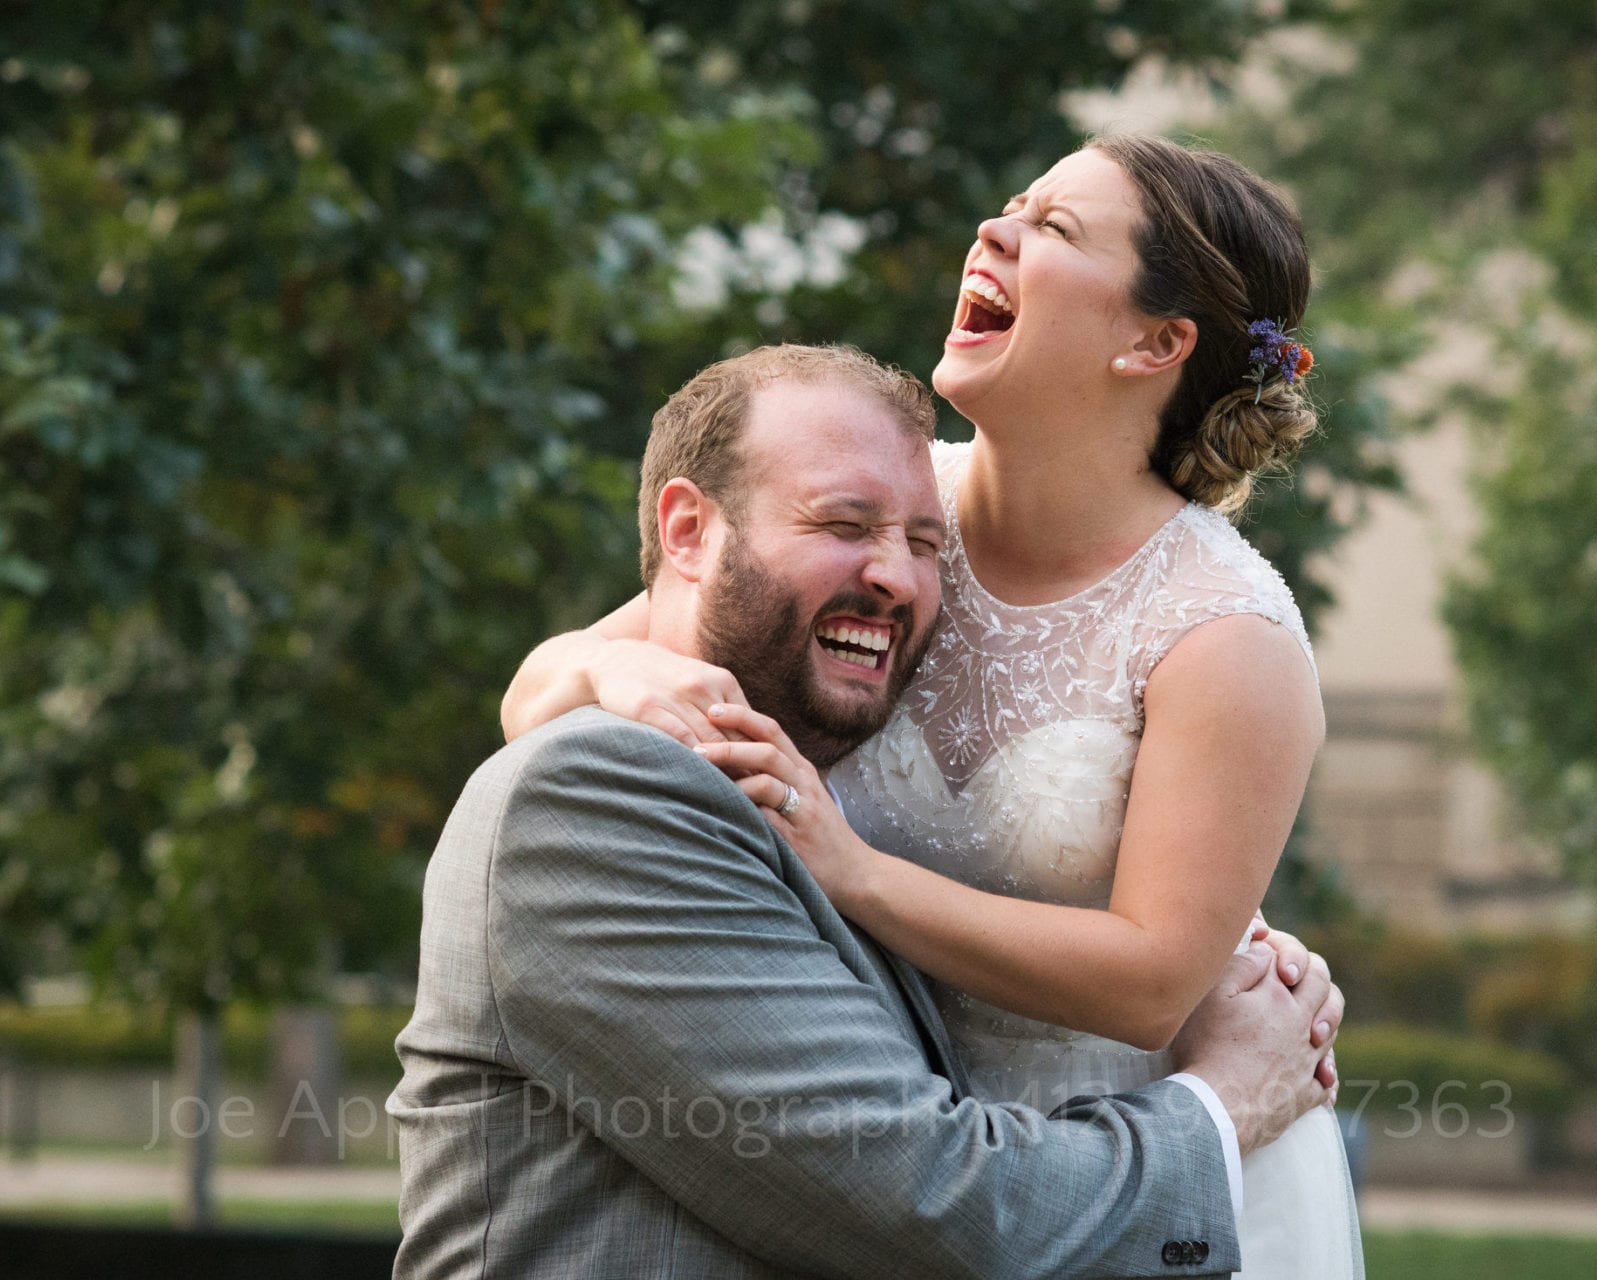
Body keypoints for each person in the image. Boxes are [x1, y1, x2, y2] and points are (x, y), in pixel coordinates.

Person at [499, 136, 1362, 1277]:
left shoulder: (1225, 631)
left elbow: (1154, 980)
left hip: (1121, 1179)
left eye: (1053, 228)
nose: (993, 233)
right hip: (878, 1146)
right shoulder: (889, 512)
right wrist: (619, 671)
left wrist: (848, 867)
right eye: (1008, 205)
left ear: (1156, 343)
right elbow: (535, 695)